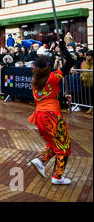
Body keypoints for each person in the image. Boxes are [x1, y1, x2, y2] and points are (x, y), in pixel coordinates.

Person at [29, 41, 75, 185]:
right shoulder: (53, 77)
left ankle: (40, 160)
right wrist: (62, 47)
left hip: (39, 117)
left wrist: (61, 98)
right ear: (48, 68)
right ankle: (57, 177)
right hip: (52, 116)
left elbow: (46, 98)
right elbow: (71, 62)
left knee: (53, 143)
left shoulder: (35, 82)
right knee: (63, 146)